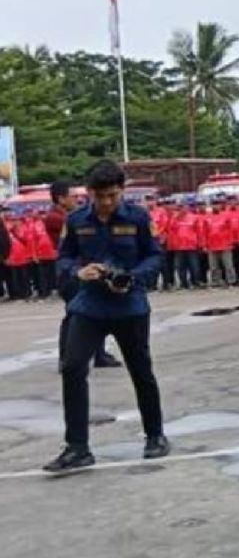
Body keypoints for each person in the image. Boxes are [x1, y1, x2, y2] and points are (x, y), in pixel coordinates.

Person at [45, 159, 169, 473]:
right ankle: (77, 447)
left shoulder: (138, 218)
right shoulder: (76, 220)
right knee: (72, 367)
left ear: (122, 191)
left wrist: (132, 277)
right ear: (89, 192)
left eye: (113, 195)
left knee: (141, 370)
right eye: (100, 196)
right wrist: (77, 271)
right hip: (90, 305)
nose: (107, 202)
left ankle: (155, 435)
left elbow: (155, 256)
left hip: (129, 306)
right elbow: (63, 258)